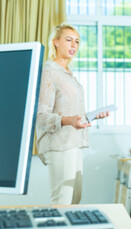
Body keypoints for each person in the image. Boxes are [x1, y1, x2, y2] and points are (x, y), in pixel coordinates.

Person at [36, 24, 108, 205]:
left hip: (74, 143)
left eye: (76, 41)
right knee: (62, 200)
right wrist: (70, 120)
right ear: (56, 42)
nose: (73, 45)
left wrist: (90, 116)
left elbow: (70, 112)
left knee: (75, 199)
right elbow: (40, 116)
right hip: (60, 145)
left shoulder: (68, 74)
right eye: (68, 40)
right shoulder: (49, 73)